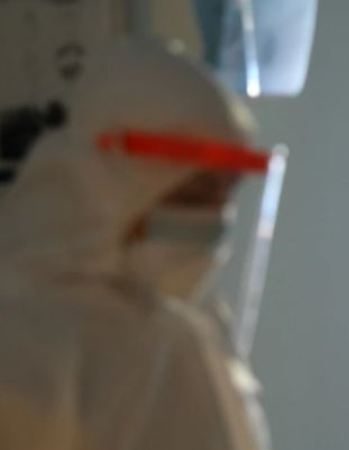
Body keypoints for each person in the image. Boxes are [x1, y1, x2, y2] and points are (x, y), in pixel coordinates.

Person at [0, 41, 269, 449]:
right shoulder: (29, 338)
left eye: (226, 194)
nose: (215, 221)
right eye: (195, 193)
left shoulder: (195, 328)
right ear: (105, 182)